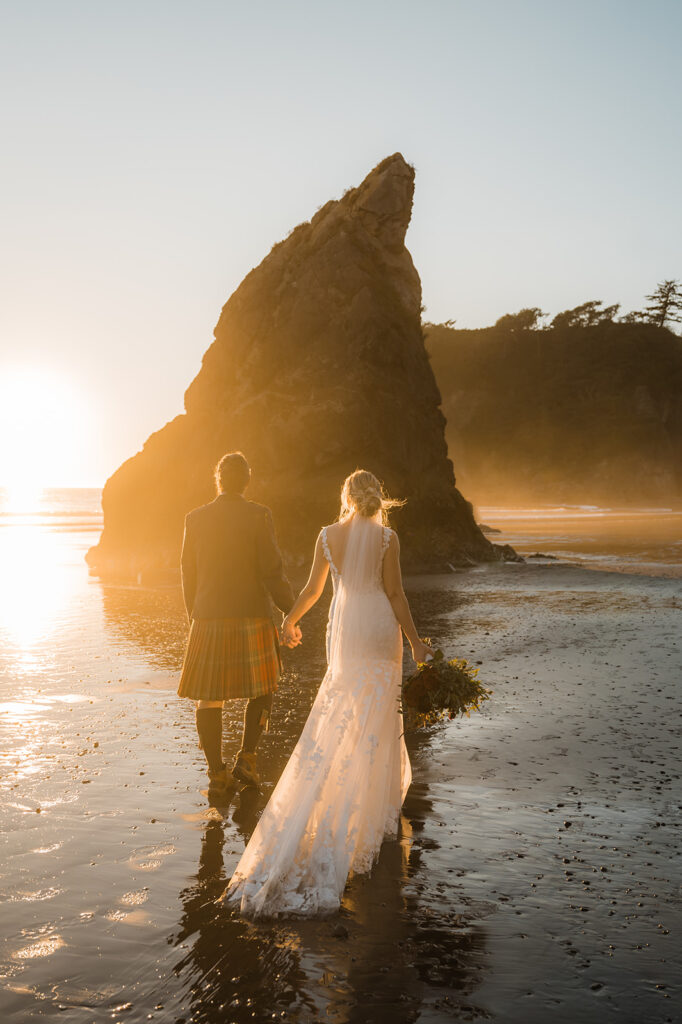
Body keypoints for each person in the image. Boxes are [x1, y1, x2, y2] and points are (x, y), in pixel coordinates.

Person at [219, 469, 431, 917]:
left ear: (346, 496)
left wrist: (289, 620)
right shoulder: (387, 540)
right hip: (376, 628)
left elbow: (314, 590)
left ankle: (341, 800)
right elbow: (394, 593)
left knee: (343, 707)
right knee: (378, 711)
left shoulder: (327, 536)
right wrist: (415, 640)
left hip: (346, 628)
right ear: (377, 498)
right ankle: (372, 810)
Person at [177, 452, 300, 804]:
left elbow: (188, 571)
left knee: (208, 695)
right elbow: (272, 571)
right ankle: (246, 759)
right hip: (252, 614)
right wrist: (291, 610)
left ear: (219, 480)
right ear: (246, 481)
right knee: (263, 685)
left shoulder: (195, 518)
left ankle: (217, 773)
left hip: (209, 615)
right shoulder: (259, 515)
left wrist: (194, 615)